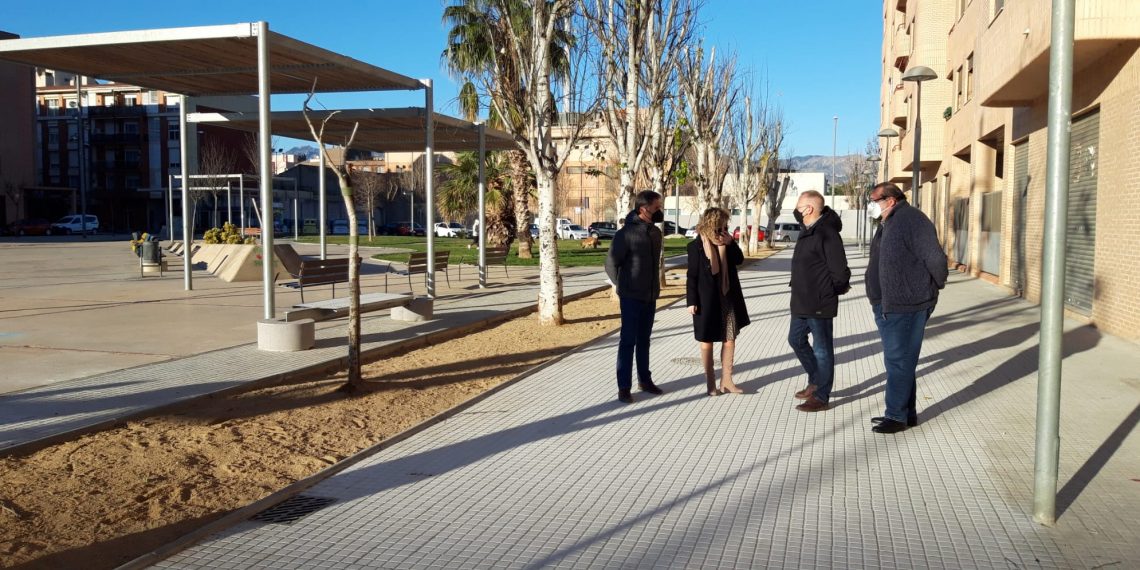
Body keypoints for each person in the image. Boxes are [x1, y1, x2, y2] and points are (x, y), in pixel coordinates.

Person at [865, 182, 948, 433]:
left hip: (908, 303)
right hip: (888, 304)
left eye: (875, 200)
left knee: (898, 361)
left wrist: (934, 285)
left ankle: (896, 416)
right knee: (901, 361)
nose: (872, 205)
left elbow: (934, 258)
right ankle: (907, 412)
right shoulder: (889, 222)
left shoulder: (913, 220)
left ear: (890, 200)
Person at [787, 190, 851, 412]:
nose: (795, 211)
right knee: (795, 339)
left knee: (822, 349)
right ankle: (816, 380)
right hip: (801, 301)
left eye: (798, 206)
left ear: (809, 209)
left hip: (819, 302)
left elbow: (841, 272)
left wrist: (828, 292)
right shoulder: (808, 230)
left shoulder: (827, 233)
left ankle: (821, 396)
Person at [605, 190, 666, 404]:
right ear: (644, 209)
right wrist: (622, 286)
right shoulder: (625, 234)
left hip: (650, 296)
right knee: (627, 341)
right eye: (657, 207)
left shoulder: (656, 233)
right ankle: (624, 387)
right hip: (631, 297)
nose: (660, 211)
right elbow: (611, 264)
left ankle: (645, 380)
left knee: (644, 341)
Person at [687, 208, 751, 396]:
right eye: (721, 225)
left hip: (727, 297)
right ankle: (710, 383)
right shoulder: (696, 246)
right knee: (707, 340)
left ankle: (727, 380)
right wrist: (691, 301)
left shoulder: (727, 242)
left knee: (729, 338)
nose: (724, 228)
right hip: (706, 300)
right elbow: (692, 276)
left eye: (725, 225)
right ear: (711, 224)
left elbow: (739, 260)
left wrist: (731, 244)